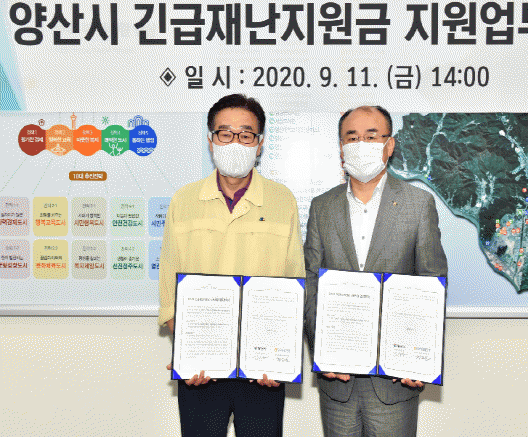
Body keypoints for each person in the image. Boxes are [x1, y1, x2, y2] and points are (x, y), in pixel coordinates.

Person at [158, 93, 305, 437]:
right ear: (211, 140)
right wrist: (189, 350)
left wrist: (279, 355)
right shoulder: (184, 200)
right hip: (201, 370)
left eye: (246, 134)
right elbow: (169, 281)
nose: (235, 143)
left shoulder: (282, 200)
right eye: (225, 134)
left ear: (260, 143)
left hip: (263, 371)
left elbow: (294, 279)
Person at [304, 105, 448, 437]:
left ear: (389, 144)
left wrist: (421, 359)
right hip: (337, 381)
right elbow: (311, 283)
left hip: (395, 381)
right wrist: (322, 352)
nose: (361, 144)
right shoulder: (322, 206)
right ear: (341, 148)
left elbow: (432, 281)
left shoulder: (418, 204)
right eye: (351, 137)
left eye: (371, 136)